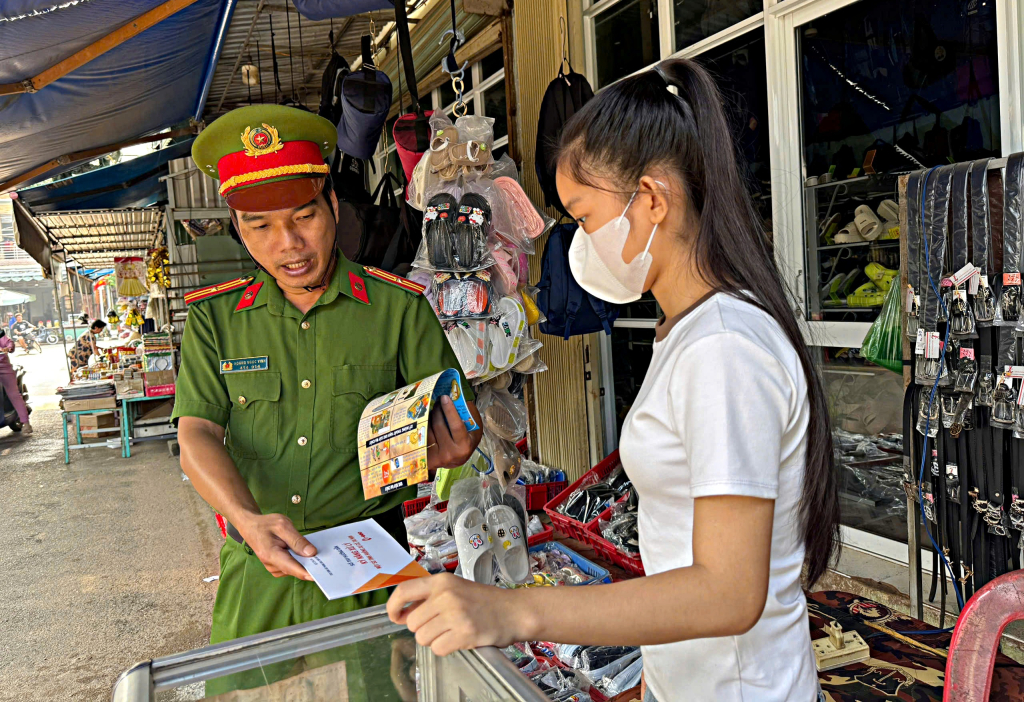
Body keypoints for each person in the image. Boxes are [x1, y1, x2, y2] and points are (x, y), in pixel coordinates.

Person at [387, 58, 840, 702]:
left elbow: (728, 591)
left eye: (585, 217)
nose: (579, 243)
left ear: (652, 200)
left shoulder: (723, 349)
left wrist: (514, 611)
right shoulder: (687, 330)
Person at [172, 104, 482, 685]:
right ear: (239, 229)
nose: (288, 244)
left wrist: (452, 448)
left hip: (369, 577)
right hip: (257, 574)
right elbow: (196, 432)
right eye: (260, 226)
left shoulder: (397, 308)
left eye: (304, 216)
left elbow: (454, 420)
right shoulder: (216, 320)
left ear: (333, 206)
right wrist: (245, 516)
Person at [0, 328, 32, 434]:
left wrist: (7, 348)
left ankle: (26, 423)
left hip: (4, 367)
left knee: (14, 394)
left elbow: (10, 343)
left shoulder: (1, 335)